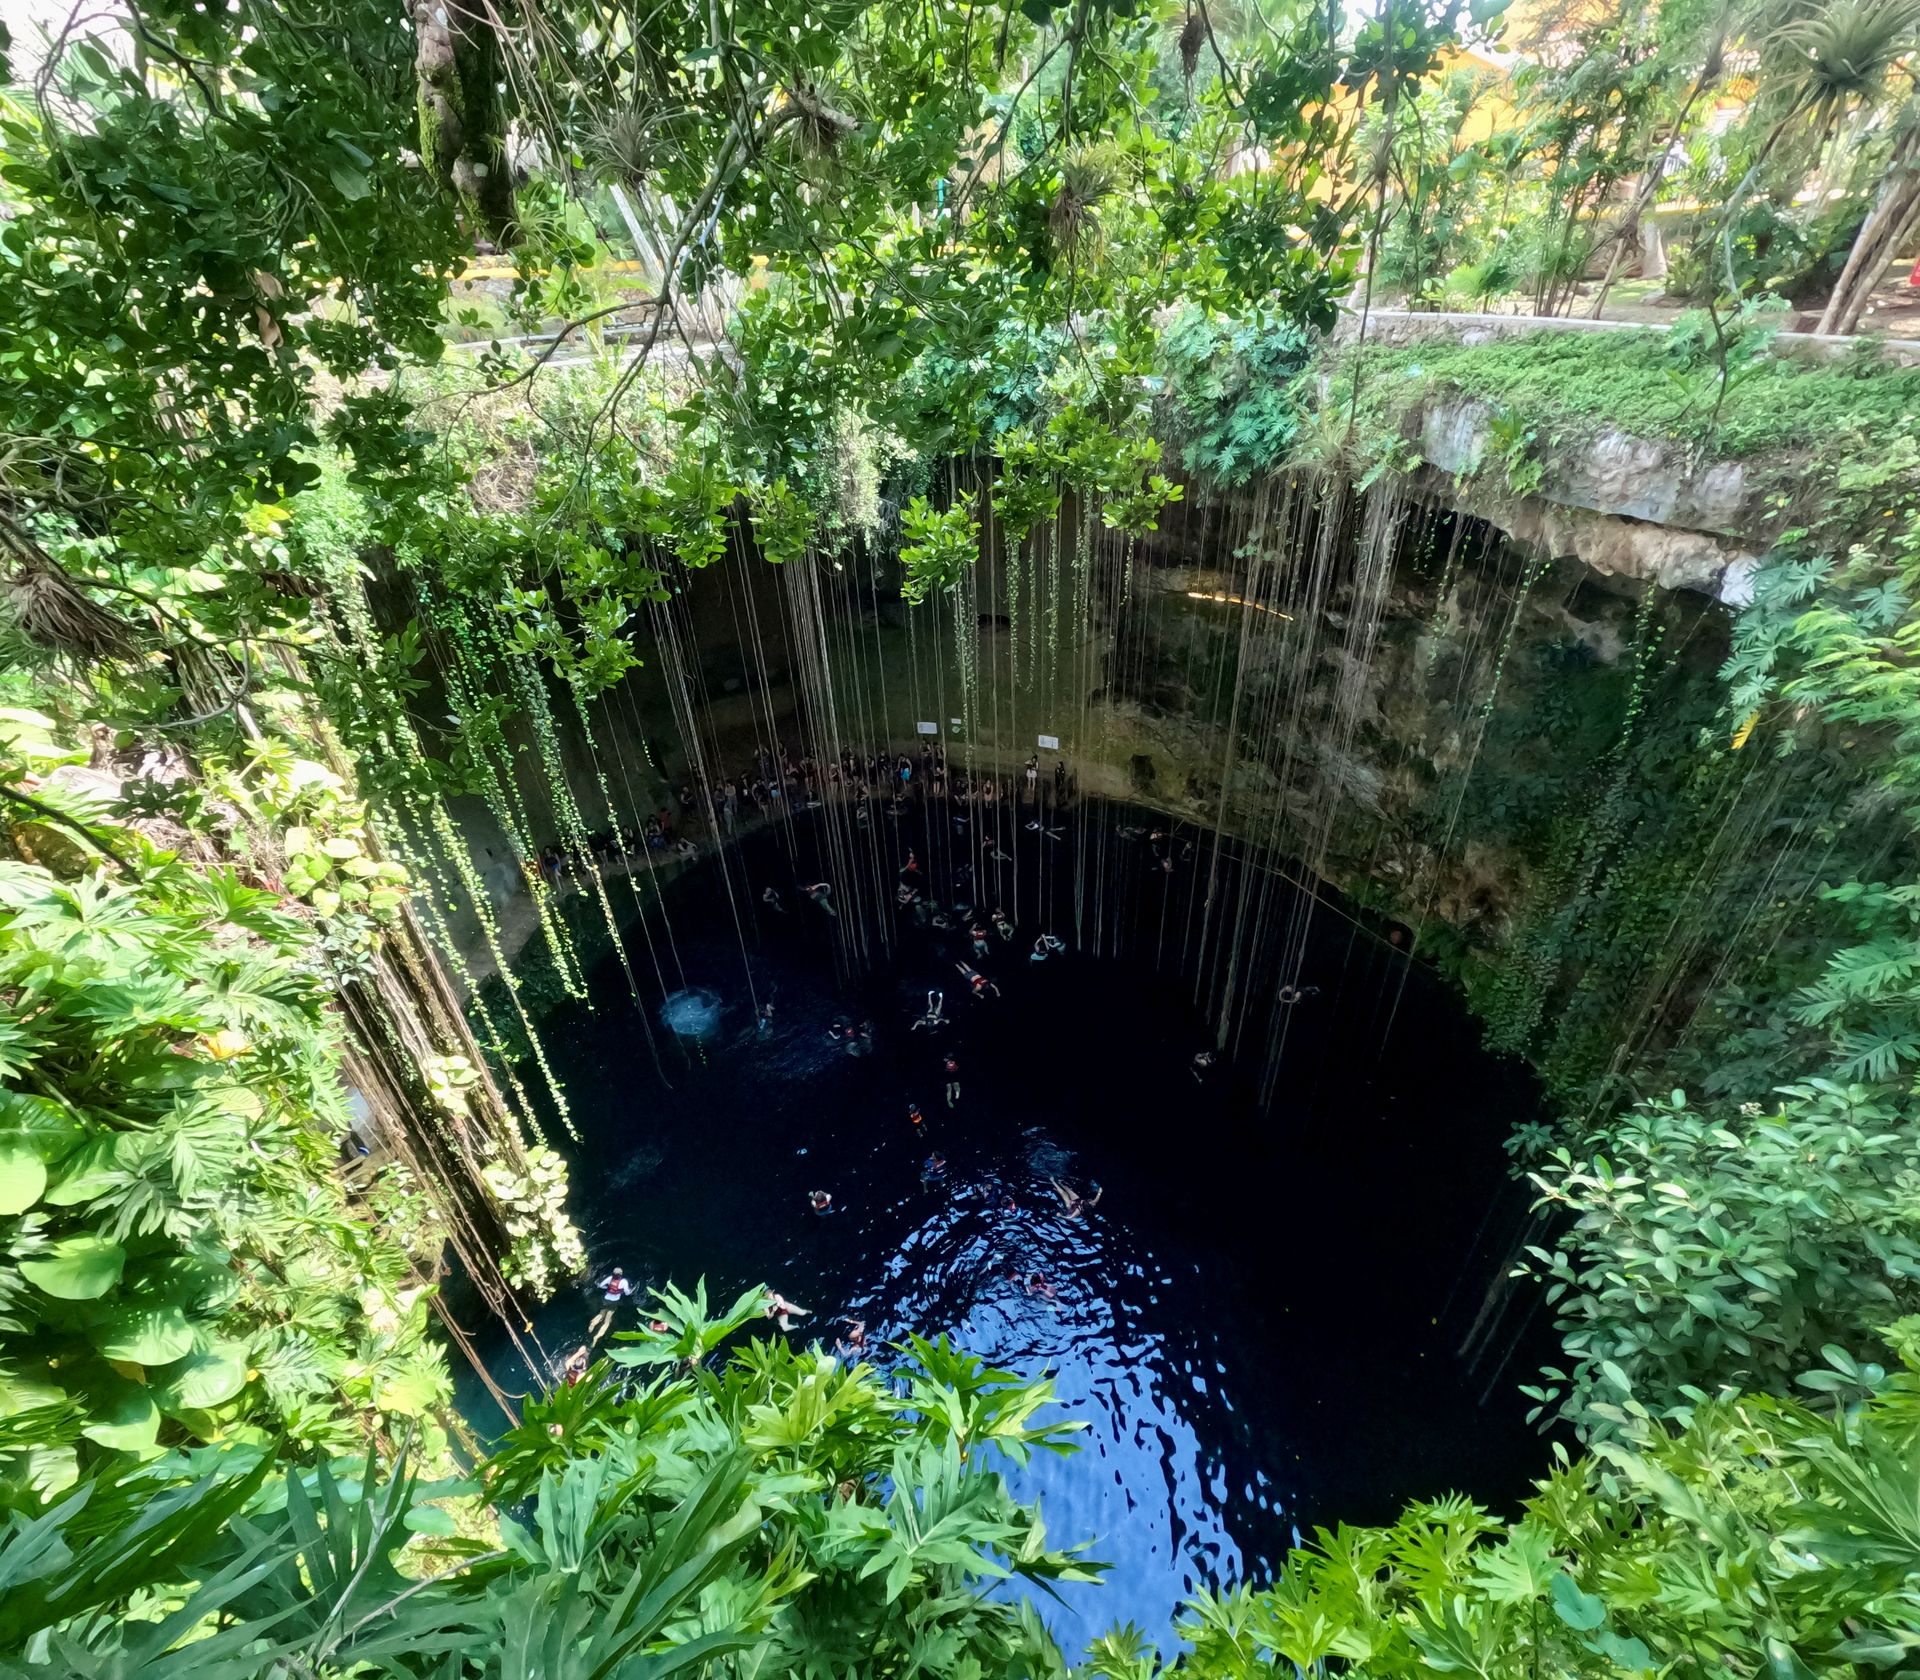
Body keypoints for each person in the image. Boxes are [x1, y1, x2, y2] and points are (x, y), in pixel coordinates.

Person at [589, 1266, 633, 1339]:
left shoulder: (609, 1279)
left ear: (613, 1274)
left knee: (601, 1315)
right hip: (614, 1302)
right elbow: (627, 1293)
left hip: (606, 1300)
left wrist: (607, 1288)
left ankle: (593, 1324)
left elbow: (600, 1285)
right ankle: (597, 1336)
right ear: (621, 1275)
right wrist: (630, 1291)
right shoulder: (623, 1282)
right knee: (607, 1321)